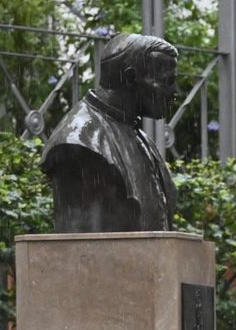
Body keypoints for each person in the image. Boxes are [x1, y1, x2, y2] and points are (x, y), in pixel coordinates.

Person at [41, 32, 179, 233]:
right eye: (167, 81)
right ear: (130, 78)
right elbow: (85, 250)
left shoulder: (140, 137)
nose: (175, 93)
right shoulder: (79, 141)